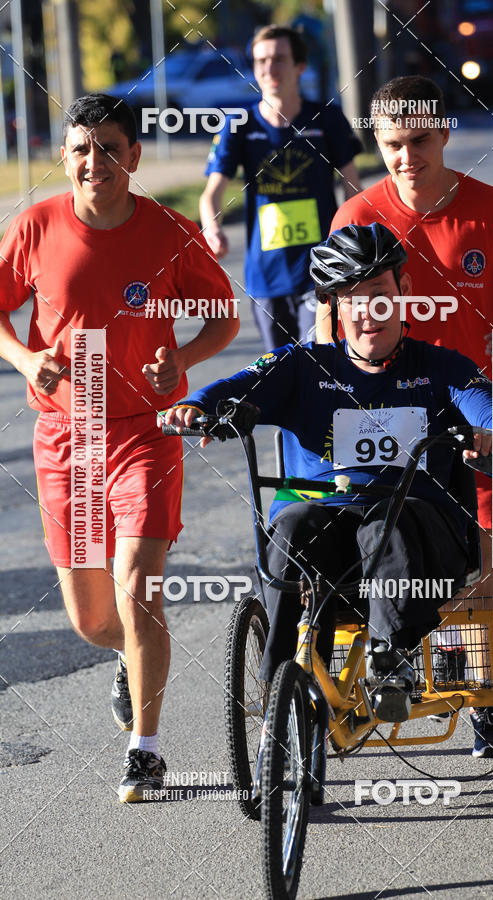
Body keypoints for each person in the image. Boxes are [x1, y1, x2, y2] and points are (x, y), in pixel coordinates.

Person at [164, 223, 493, 755]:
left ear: (403, 292)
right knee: (290, 521)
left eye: (379, 296)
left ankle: (391, 662)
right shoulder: (302, 367)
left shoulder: (441, 367)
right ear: (333, 306)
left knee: (384, 522)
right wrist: (199, 409)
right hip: (326, 526)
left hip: (417, 533)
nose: (367, 312)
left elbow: (490, 407)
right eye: (352, 300)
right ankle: (278, 683)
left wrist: (492, 431)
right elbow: (232, 389)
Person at [0, 93, 239, 802]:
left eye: (108, 147)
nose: (93, 161)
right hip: (66, 438)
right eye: (80, 148)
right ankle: (126, 659)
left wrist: (184, 362)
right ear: (64, 158)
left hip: (144, 432)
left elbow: (223, 315)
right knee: (94, 620)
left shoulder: (168, 231)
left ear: (133, 157)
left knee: (138, 589)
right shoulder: (36, 226)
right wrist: (22, 358)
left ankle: (147, 749)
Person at [316, 75, 493, 608]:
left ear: (444, 132)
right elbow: (327, 318)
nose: (407, 157)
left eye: (420, 140)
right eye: (392, 145)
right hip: (385, 416)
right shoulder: (356, 217)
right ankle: (412, 688)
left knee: (480, 578)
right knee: (392, 578)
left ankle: (489, 691)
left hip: (475, 414)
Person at [200, 24, 363, 350]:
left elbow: (353, 190)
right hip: (266, 276)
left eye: (278, 59)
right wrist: (211, 228)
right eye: (261, 61)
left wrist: (352, 247)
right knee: (280, 372)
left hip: (322, 270)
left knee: (319, 359)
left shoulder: (327, 119)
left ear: (300, 67)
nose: (268, 68)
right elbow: (211, 194)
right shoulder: (240, 125)